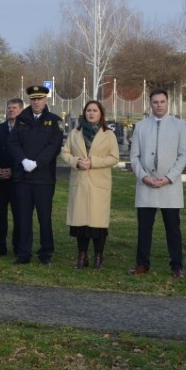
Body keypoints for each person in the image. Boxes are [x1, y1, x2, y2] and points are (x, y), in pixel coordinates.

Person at [128, 88, 186, 278]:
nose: (159, 105)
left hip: (169, 186)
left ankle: (176, 265)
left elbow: (183, 155)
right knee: (144, 228)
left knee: (173, 228)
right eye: (155, 102)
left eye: (162, 102)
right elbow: (134, 156)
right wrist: (144, 177)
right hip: (146, 184)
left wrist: (169, 177)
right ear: (150, 104)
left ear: (167, 102)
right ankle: (142, 264)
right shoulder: (140, 126)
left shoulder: (179, 126)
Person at [8, 85, 64, 265]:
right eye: (33, 99)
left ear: (46, 100)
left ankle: (46, 252)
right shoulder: (21, 119)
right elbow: (13, 143)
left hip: (43, 177)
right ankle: (23, 253)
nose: (36, 102)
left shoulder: (54, 121)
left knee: (44, 217)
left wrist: (37, 163)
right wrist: (23, 160)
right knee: (23, 217)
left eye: (39, 99)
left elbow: (54, 146)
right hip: (23, 177)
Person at [62, 100, 120, 269]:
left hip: (99, 183)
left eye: (95, 110)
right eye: (88, 110)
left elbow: (114, 158)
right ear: (84, 113)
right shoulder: (75, 133)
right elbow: (65, 153)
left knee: (98, 223)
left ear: (101, 113)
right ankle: (82, 256)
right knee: (80, 223)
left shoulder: (108, 135)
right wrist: (76, 161)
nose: (91, 113)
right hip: (80, 182)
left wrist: (93, 162)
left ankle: (98, 256)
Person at [0, 97, 24, 257]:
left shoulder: (26, 130)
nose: (11, 110)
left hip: (18, 179)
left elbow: (27, 154)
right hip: (0, 179)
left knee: (19, 214)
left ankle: (18, 246)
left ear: (21, 110)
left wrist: (13, 171)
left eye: (14, 108)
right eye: (9, 108)